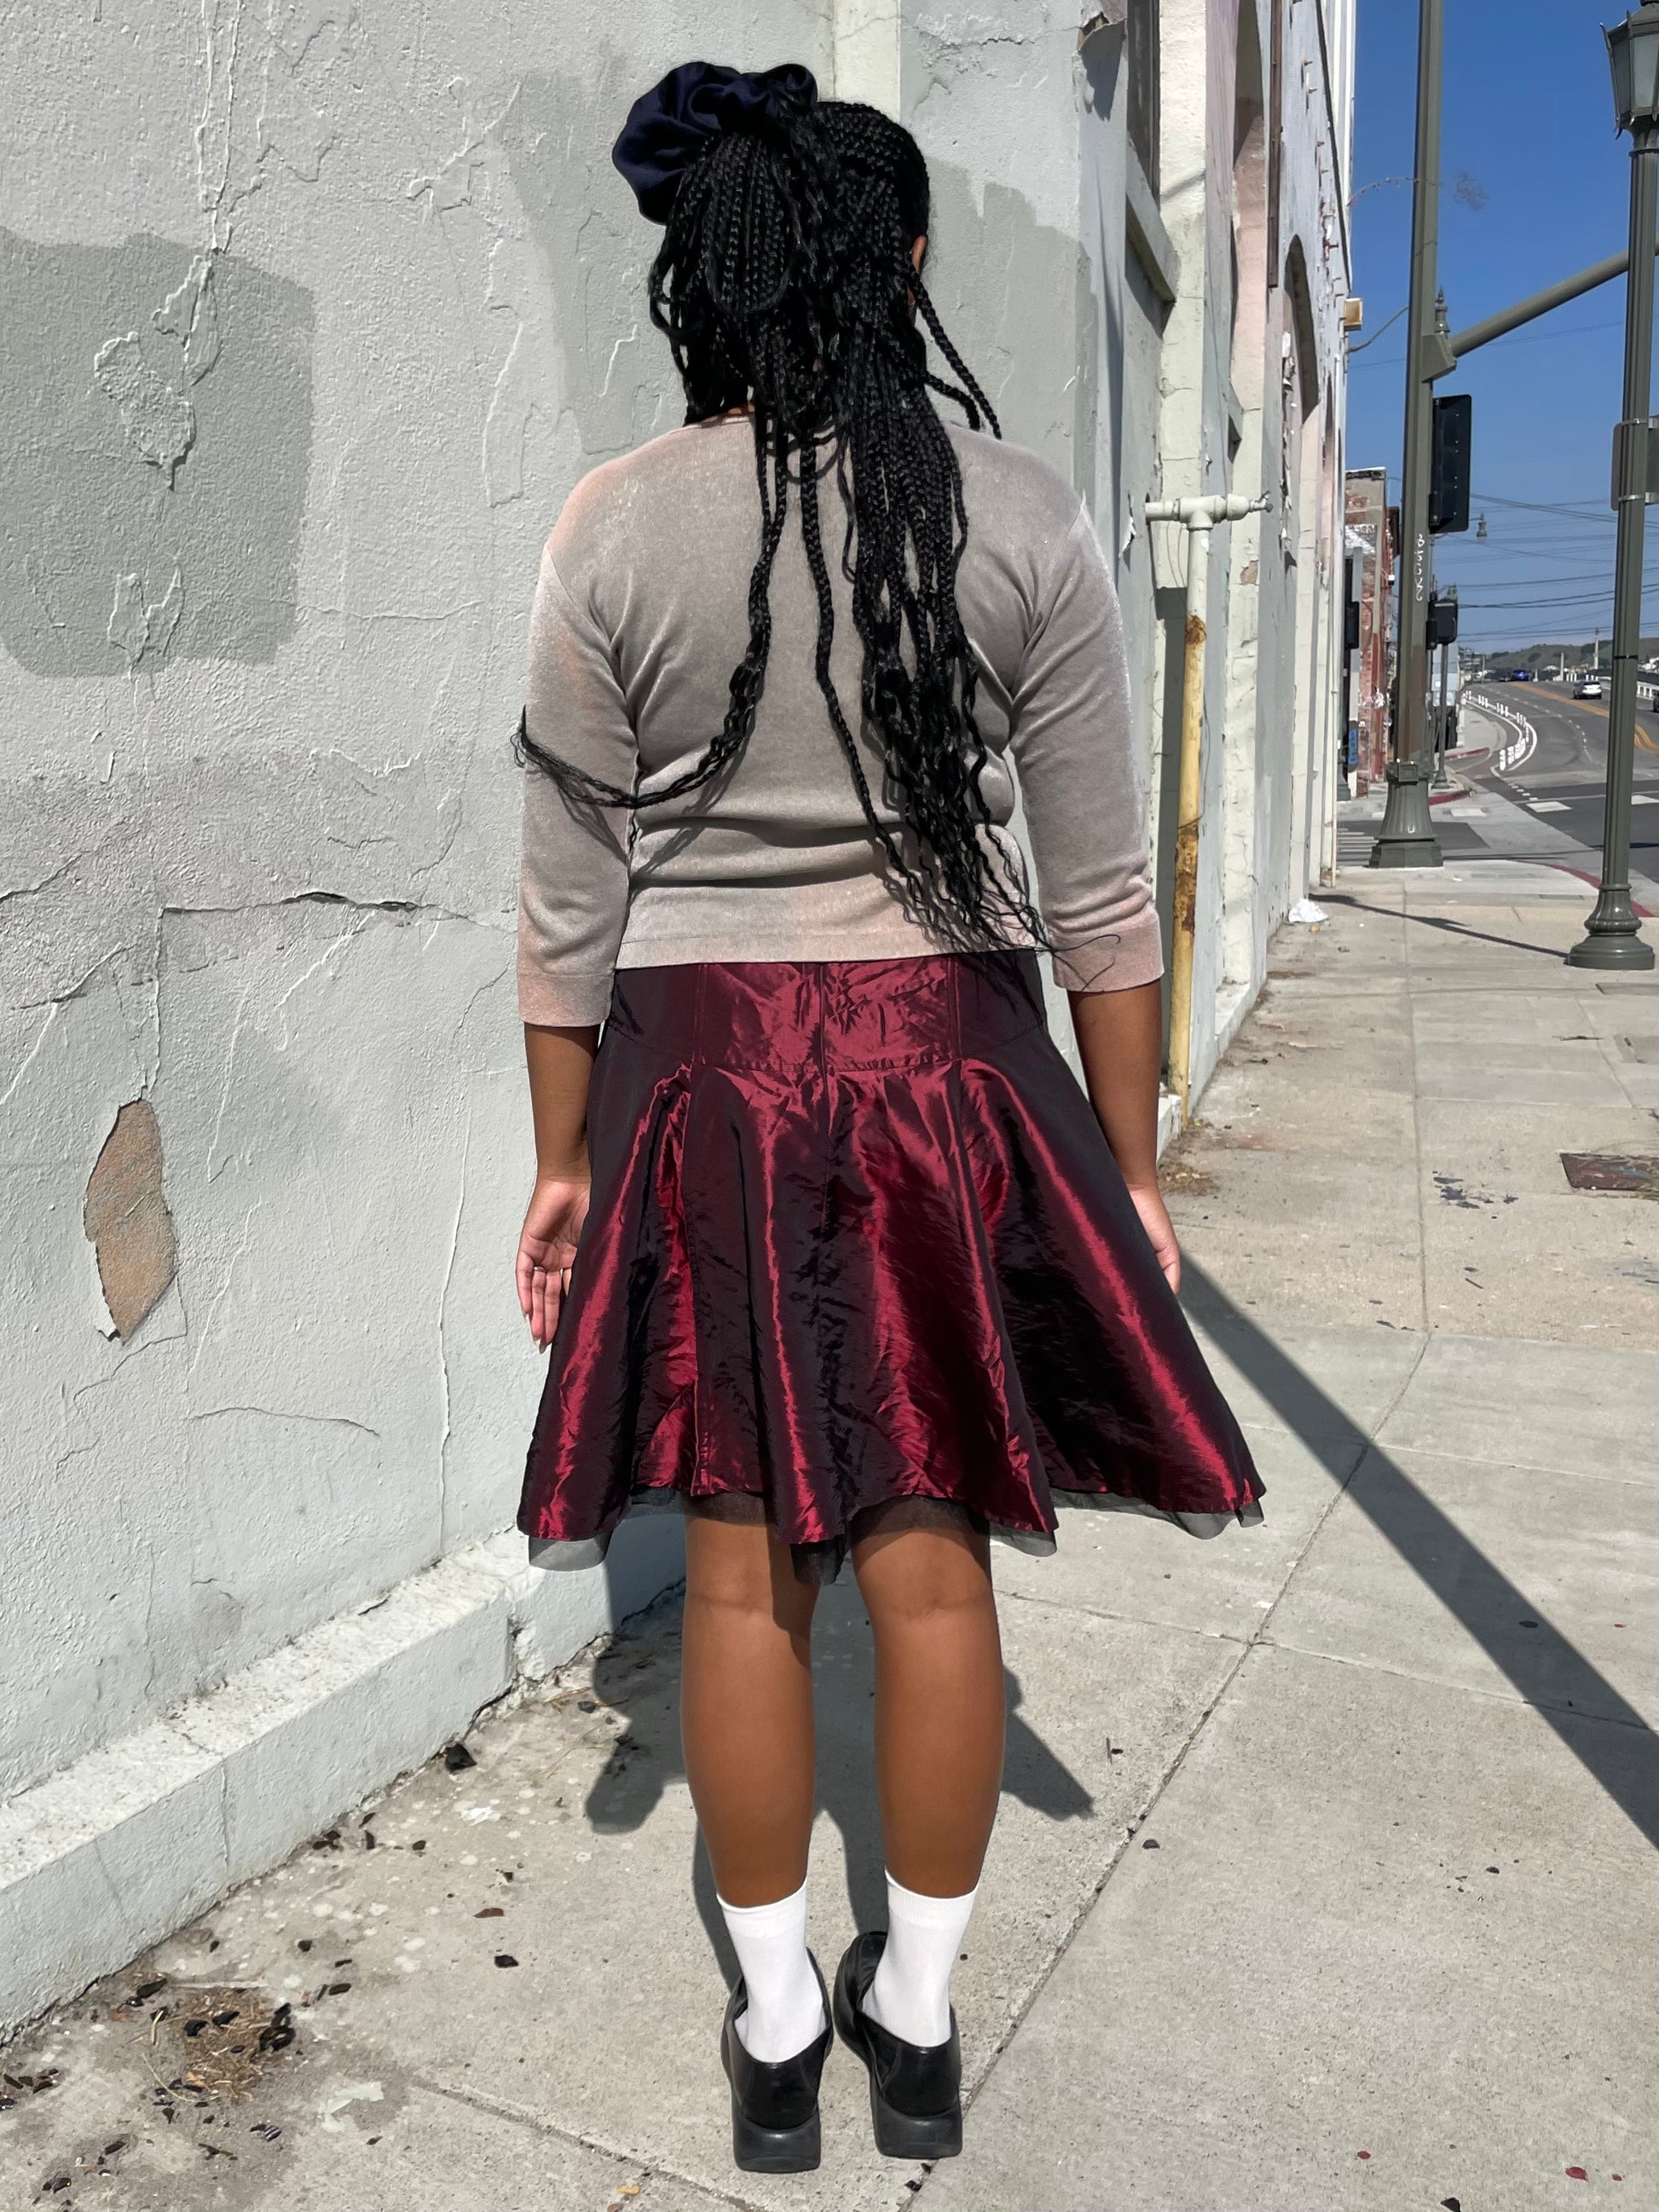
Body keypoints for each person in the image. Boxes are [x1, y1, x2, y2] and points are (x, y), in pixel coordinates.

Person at [510, 60, 1263, 2174]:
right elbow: (1106, 894)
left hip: (704, 1074)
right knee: (934, 1567)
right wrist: (1122, 1168)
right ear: (903, 267)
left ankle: (771, 2026)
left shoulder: (611, 521)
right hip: (944, 1068)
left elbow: (565, 906)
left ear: (712, 279)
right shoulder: (1012, 516)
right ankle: (909, 2015)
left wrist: (562, 1160)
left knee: (741, 1572)